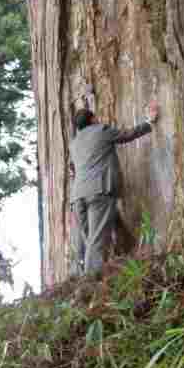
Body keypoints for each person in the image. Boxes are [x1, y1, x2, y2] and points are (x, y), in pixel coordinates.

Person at [69, 98, 159, 275]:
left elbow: (73, 167)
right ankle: (89, 285)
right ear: (93, 119)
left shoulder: (74, 143)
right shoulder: (101, 130)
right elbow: (127, 135)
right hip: (99, 191)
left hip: (78, 196)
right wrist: (150, 121)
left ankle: (87, 276)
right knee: (96, 241)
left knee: (89, 241)